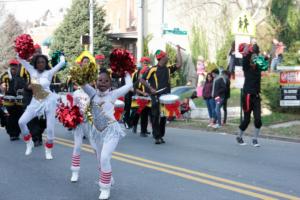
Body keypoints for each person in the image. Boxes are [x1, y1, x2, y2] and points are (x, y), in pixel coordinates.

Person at [82, 69, 133, 200]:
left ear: (110, 84)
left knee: (105, 158)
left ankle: (105, 188)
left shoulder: (114, 94)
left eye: (106, 81)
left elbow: (128, 86)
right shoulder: (92, 93)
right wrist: (81, 71)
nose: (103, 83)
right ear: (95, 82)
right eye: (100, 80)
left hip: (111, 131)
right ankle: (108, 177)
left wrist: (127, 73)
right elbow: (82, 82)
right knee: (100, 161)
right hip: (96, 132)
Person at [17, 54, 66, 159]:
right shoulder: (32, 71)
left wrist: (61, 55)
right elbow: (20, 59)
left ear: (45, 63)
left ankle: (48, 151)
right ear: (35, 63)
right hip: (36, 101)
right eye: (38, 62)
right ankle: (29, 142)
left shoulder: (49, 73)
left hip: (49, 101)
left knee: (50, 129)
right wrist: (20, 51)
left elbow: (62, 63)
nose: (40, 64)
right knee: (21, 122)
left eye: (43, 62)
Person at [141, 46, 182, 144]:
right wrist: (151, 88)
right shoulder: (153, 69)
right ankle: (156, 136)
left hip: (166, 96)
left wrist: (178, 51)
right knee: (155, 116)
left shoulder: (168, 69)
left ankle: (161, 135)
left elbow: (179, 64)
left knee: (163, 116)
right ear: (162, 58)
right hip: (155, 96)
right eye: (166, 56)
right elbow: (142, 79)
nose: (168, 57)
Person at [20, 44, 47, 147]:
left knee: (44, 119)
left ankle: (38, 133)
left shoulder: (45, 64)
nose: (37, 54)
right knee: (32, 118)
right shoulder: (25, 65)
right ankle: (36, 138)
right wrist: (28, 86)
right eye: (35, 52)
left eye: (39, 51)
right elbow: (19, 80)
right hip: (29, 95)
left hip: (42, 94)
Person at [236, 43, 262, 147]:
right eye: (253, 57)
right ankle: (239, 136)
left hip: (256, 96)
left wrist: (262, 56)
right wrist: (247, 50)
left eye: (256, 57)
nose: (254, 58)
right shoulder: (246, 66)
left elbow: (263, 61)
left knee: (258, 120)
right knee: (246, 120)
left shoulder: (258, 67)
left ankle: (255, 139)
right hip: (247, 96)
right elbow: (246, 57)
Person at [0, 59, 25, 140]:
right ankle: (12, 134)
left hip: (19, 99)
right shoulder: (5, 75)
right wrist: (3, 88)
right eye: (12, 66)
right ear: (10, 66)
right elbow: (2, 85)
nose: (13, 67)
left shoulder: (22, 75)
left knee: (19, 116)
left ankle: (17, 132)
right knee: (10, 117)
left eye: (15, 66)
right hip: (8, 99)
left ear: (18, 67)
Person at [130, 57, 151, 136]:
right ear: (141, 63)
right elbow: (133, 87)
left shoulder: (150, 73)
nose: (145, 64)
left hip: (148, 97)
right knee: (137, 113)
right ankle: (134, 125)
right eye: (144, 62)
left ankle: (144, 130)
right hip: (139, 96)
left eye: (147, 63)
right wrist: (142, 92)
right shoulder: (136, 73)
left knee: (145, 114)